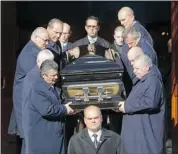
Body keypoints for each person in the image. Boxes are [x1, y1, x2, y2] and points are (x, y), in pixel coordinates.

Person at [8, 27, 49, 154]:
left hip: (28, 101)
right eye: (45, 40)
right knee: (29, 137)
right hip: (25, 103)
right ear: (35, 37)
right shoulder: (30, 53)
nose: (46, 44)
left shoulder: (35, 50)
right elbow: (38, 77)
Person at [23, 60, 74, 154]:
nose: (56, 77)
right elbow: (47, 110)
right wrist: (64, 109)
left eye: (57, 74)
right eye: (53, 75)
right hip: (44, 137)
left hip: (56, 134)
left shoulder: (54, 87)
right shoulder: (37, 89)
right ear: (43, 75)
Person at [118, 54, 165, 154]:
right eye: (134, 68)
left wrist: (127, 107)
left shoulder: (153, 80)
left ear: (146, 67)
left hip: (145, 136)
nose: (134, 71)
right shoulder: (144, 78)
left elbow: (150, 102)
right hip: (139, 135)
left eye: (137, 68)